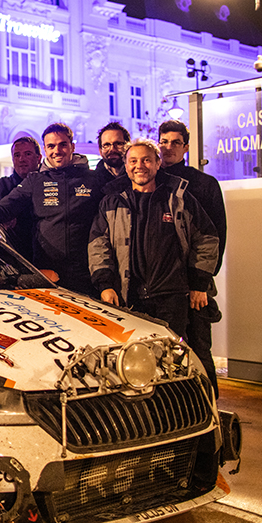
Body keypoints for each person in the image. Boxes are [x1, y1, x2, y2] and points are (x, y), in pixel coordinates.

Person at [88, 138, 219, 344]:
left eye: (147, 160)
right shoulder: (112, 201)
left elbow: (207, 239)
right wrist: (105, 284)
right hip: (128, 297)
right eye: (133, 161)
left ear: (158, 164)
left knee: (172, 360)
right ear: (126, 165)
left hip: (172, 298)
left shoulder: (178, 199)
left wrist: (199, 283)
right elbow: (98, 245)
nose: (139, 166)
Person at [0, 122, 110, 295]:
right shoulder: (35, 180)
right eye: (51, 146)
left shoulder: (93, 179)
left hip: (86, 273)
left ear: (72, 146)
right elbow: (3, 210)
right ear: (45, 149)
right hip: (46, 273)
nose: (57, 151)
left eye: (62, 145)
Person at [158, 119, 227, 394]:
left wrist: (200, 283)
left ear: (186, 147)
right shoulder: (150, 181)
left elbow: (215, 237)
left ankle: (210, 406)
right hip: (162, 285)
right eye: (163, 142)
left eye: (175, 142)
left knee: (199, 349)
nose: (168, 148)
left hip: (194, 285)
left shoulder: (204, 184)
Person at [0, 135, 41, 259]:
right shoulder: (1, 186)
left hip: (45, 253)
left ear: (39, 158)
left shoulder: (48, 184)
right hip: (13, 255)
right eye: (17, 155)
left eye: (28, 154)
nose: (22, 159)